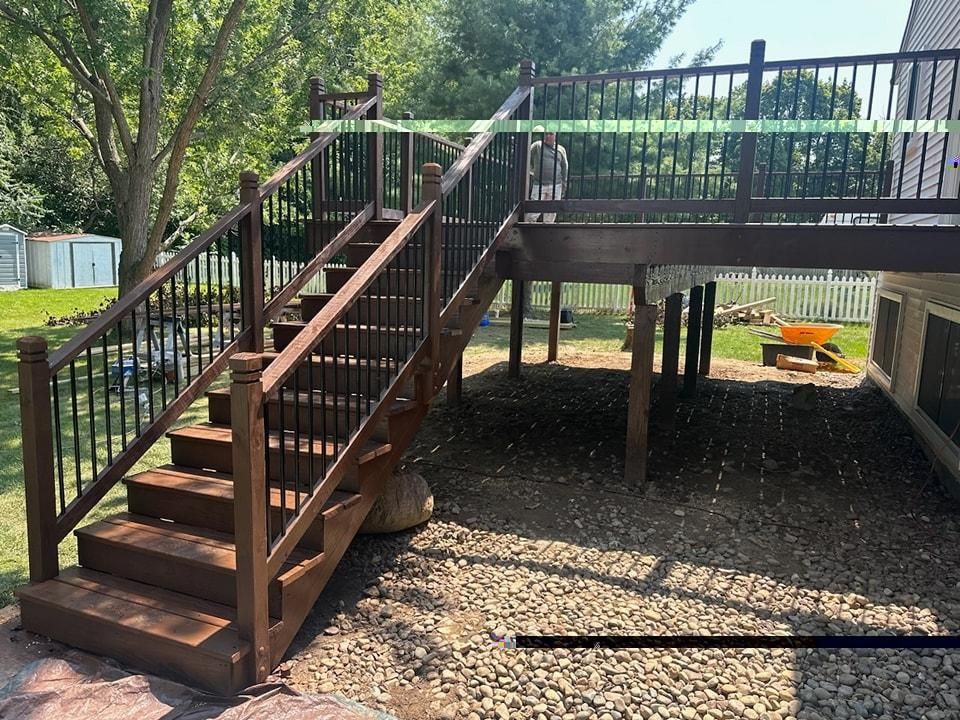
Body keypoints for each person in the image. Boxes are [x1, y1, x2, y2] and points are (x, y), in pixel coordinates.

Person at [524, 125, 568, 223]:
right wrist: (532, 171)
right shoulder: (537, 146)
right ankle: (528, 234)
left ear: (555, 136)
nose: (548, 136)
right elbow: (527, 157)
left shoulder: (561, 149)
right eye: (546, 134)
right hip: (539, 184)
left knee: (550, 215)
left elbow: (565, 167)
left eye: (550, 134)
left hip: (556, 185)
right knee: (532, 213)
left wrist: (564, 184)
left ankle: (546, 235)